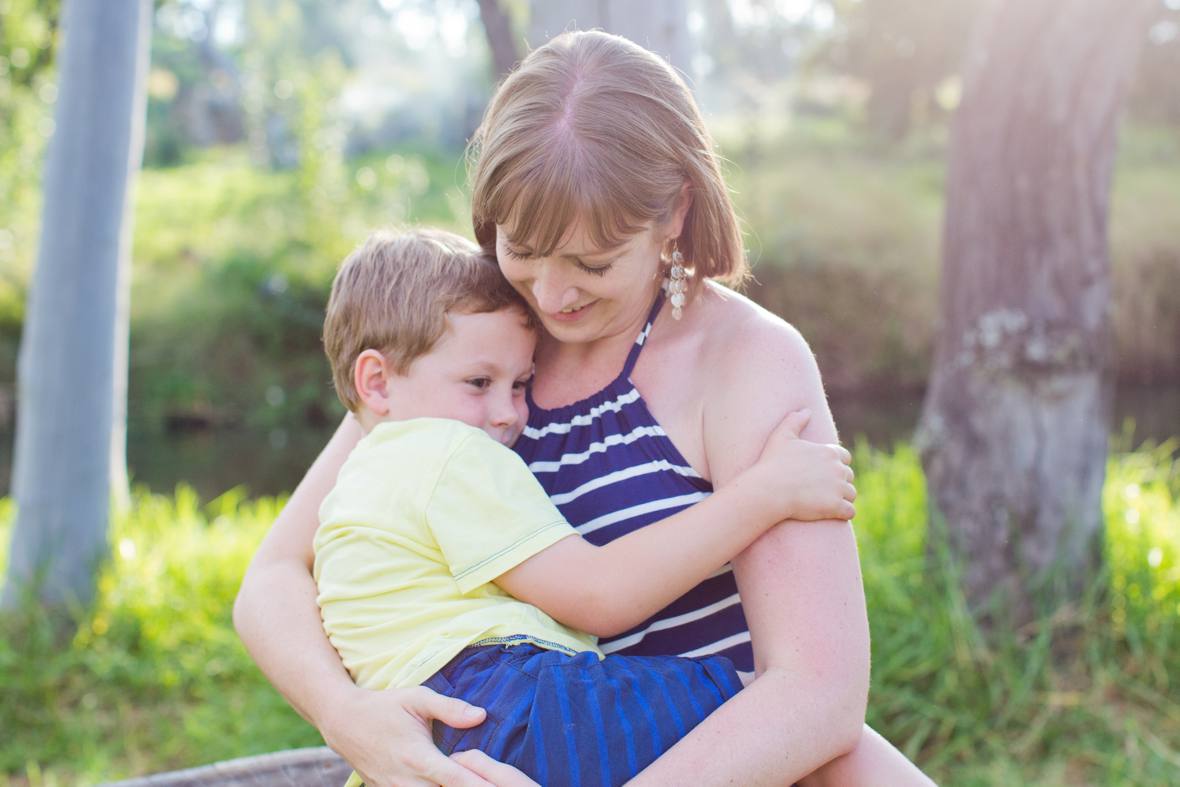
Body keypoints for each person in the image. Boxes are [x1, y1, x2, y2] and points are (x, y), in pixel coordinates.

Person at [236, 30, 935, 786]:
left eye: (592, 263)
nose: (552, 294)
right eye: (523, 250)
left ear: (674, 213)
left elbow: (818, 692)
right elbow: (275, 574)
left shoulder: (743, 361)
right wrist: (347, 715)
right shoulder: (472, 349)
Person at [315, 228, 856, 786]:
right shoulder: (450, 453)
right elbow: (598, 595)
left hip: (429, 733)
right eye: (479, 382)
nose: (507, 413)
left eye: (522, 383)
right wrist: (766, 493)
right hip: (505, 704)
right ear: (376, 381)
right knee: (762, 720)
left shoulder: (351, 488)